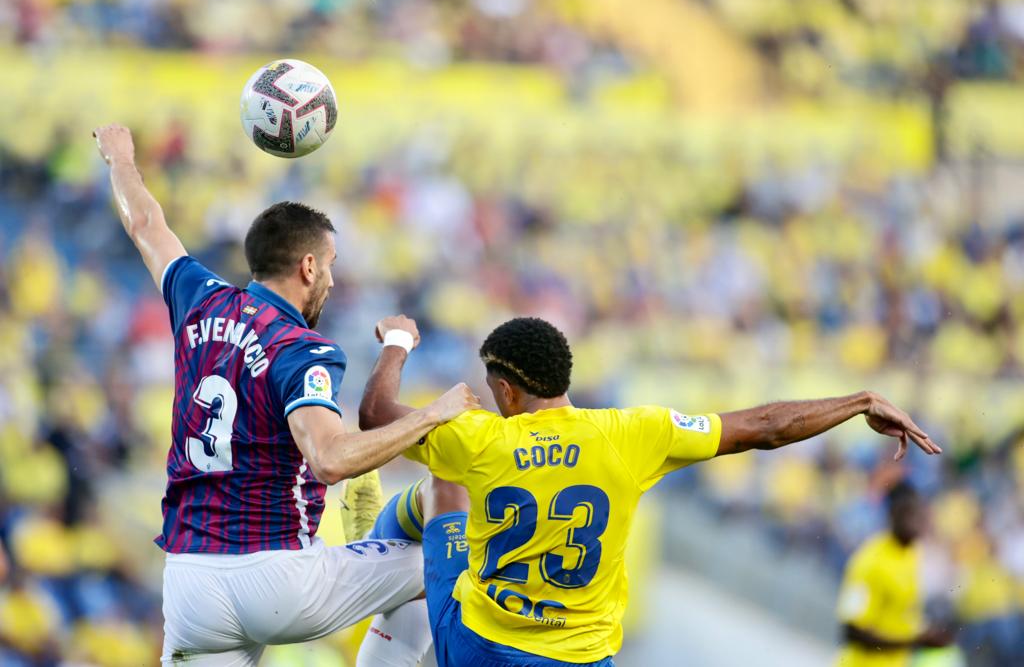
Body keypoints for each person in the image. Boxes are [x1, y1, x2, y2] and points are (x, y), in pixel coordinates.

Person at [92, 124, 480, 666]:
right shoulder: (302, 349)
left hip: (188, 582)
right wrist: (435, 412)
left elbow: (145, 223)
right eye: (332, 267)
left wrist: (120, 158)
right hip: (276, 575)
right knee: (432, 564)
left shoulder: (198, 299)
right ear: (309, 267)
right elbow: (329, 459)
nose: (333, 283)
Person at [356, 316, 942, 666]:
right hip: (583, 657)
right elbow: (765, 428)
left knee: (445, 480)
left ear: (506, 392)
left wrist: (397, 343)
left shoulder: (478, 437)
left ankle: (383, 632)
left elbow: (378, 414)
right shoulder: (636, 433)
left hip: (483, 648)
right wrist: (858, 401)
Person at [836, 482, 953, 667]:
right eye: (908, 512)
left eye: (918, 512)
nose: (915, 519)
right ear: (892, 513)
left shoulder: (911, 553)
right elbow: (852, 632)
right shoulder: (869, 562)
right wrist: (915, 641)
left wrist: (927, 632)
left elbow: (899, 613)